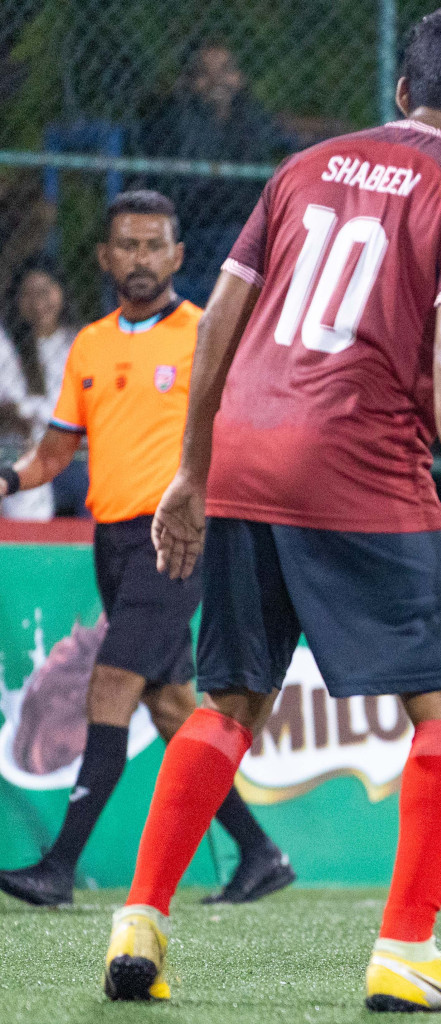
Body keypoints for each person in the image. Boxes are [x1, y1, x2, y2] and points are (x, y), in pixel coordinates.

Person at [99, 5, 441, 1010]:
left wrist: (193, 472)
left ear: (402, 90)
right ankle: (407, 948)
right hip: (358, 464)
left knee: (231, 704)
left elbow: (216, 328)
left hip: (244, 454)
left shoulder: (305, 166)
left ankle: (141, 922)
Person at [0, 191, 291, 909]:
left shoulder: (205, 332)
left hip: (178, 539)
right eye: (126, 245)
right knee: (169, 707)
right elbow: (55, 453)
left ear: (178, 256)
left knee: (110, 686)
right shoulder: (89, 345)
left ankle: (59, 867)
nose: (139, 257)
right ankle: (259, 853)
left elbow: (250, 428)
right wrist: (8, 478)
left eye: (153, 244)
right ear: (104, 258)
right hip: (113, 542)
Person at [137, 41, 295, 305]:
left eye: (225, 70)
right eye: (205, 73)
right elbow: (186, 190)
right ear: (189, 80)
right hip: (196, 227)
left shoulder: (248, 115)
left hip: (244, 225)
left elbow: (282, 134)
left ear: (240, 77)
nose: (217, 81)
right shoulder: (178, 118)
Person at [0, 260, 74, 520]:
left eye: (45, 291)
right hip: (28, 447)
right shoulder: (6, 343)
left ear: (61, 292)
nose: (38, 302)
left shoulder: (78, 341)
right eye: (28, 294)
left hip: (74, 449)